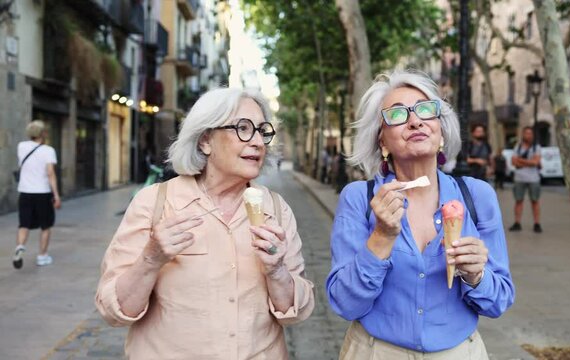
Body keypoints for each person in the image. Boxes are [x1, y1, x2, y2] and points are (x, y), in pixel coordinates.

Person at [95, 88, 314, 359]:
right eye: (243, 128)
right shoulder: (154, 203)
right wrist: (151, 258)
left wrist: (277, 271)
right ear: (205, 141)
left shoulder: (277, 210)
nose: (258, 141)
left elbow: (298, 312)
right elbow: (113, 311)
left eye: (262, 130)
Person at [326, 70, 514, 359]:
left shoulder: (477, 196)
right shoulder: (359, 198)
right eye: (398, 115)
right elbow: (345, 303)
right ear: (382, 142)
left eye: (426, 110)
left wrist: (476, 276)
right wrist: (381, 237)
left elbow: (499, 300)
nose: (415, 120)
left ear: (440, 130)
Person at [13, 120, 61, 269]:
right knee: (45, 226)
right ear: (43, 134)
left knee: (24, 224)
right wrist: (57, 195)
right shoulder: (48, 150)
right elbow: (50, 174)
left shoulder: (21, 147)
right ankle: (42, 256)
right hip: (42, 193)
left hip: (25, 192)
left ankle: (20, 246)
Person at [509, 126, 542, 233]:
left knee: (535, 201)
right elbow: (513, 162)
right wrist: (529, 162)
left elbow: (535, 162)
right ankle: (517, 222)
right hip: (519, 178)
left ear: (533, 135)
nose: (528, 135)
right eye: (526, 133)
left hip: (534, 179)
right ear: (523, 134)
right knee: (518, 200)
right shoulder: (517, 147)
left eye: (530, 133)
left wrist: (520, 160)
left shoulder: (536, 147)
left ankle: (537, 223)